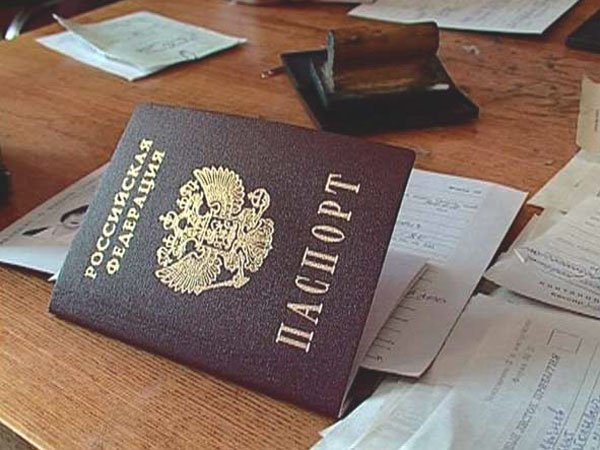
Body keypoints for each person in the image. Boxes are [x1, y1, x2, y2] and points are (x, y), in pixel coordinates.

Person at [22, 204, 89, 243]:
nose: (78, 220)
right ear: (69, 214)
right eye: (77, 215)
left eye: (85, 218)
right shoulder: (35, 232)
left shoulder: (75, 241)